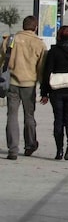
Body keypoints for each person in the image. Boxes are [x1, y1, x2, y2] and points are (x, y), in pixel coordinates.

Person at [1, 15, 46, 160]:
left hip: (12, 83)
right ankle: (30, 144)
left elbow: (1, 59)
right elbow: (41, 67)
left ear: (23, 25)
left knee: (12, 115)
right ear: (35, 27)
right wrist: (41, 83)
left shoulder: (10, 39)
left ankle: (13, 149)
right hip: (29, 84)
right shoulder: (39, 43)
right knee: (29, 115)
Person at [40, 25, 68, 161]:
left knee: (58, 120)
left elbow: (46, 72)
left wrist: (44, 93)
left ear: (59, 36)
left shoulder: (53, 51)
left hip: (56, 91)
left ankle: (59, 150)